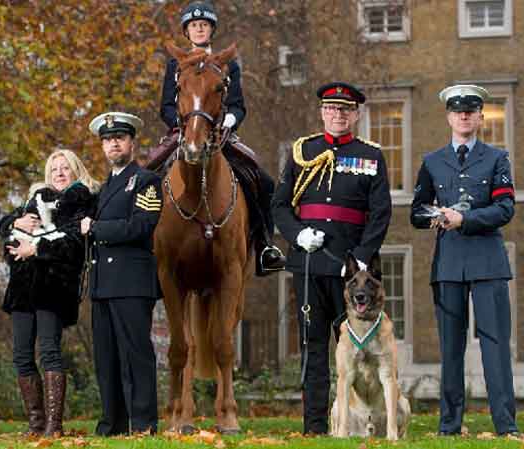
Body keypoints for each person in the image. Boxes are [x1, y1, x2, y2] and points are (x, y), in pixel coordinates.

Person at [271, 82, 392, 434]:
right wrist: (297, 234)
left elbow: (380, 213)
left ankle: (358, 423)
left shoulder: (370, 154)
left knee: (356, 352)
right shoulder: (302, 151)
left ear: (355, 114)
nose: (338, 114)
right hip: (309, 263)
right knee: (312, 347)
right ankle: (314, 426)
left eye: (345, 109)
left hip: (351, 273)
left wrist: (362, 259)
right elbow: (279, 205)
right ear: (322, 112)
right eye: (332, 108)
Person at [410, 84, 518, 436]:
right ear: (448, 117)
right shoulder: (431, 161)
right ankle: (449, 425)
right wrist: (436, 216)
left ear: (480, 116)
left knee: (496, 346)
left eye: (471, 109)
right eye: (458, 110)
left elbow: (505, 208)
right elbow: (416, 211)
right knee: (451, 348)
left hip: (488, 261)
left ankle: (506, 425)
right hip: (448, 264)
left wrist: (465, 220)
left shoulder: (497, 158)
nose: (464, 115)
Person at [152, 0, 285, 276]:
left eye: (204, 25)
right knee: (146, 174)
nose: (199, 30)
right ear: (186, 32)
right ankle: (147, 247)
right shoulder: (175, 65)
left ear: (211, 30)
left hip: (219, 135)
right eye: (194, 26)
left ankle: (264, 246)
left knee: (263, 180)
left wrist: (228, 121)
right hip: (183, 132)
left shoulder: (228, 65)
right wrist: (183, 124)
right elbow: (166, 105)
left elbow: (237, 105)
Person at [0, 149, 99, 437]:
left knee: (50, 353)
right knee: (21, 356)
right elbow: (3, 225)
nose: (59, 173)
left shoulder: (81, 201)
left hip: (54, 286)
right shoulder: (36, 197)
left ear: (75, 170)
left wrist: (37, 248)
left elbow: (73, 244)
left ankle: (54, 426)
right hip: (21, 288)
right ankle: (35, 424)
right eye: (54, 169)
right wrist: (14, 224)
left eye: (65, 168)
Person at [80, 112, 162, 436]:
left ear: (131, 142)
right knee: (107, 358)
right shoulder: (104, 189)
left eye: (119, 138)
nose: (113, 143)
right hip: (103, 284)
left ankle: (142, 424)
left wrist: (97, 228)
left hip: (131, 282)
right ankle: (112, 424)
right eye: (107, 139)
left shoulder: (145, 181)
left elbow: (142, 227)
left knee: (136, 355)